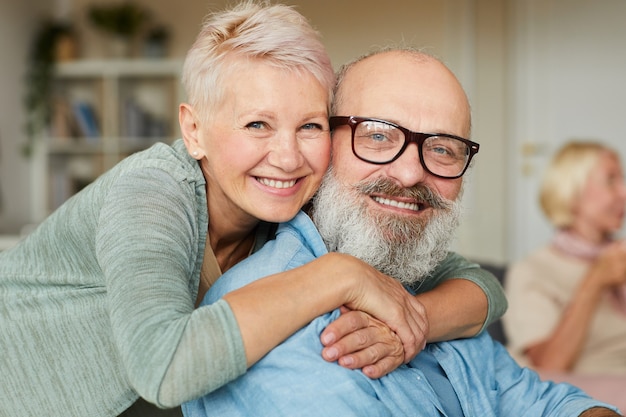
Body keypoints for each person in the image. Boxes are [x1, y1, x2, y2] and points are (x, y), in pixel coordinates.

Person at [0, 3, 507, 417]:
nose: (287, 158)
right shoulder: (151, 192)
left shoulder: (290, 197)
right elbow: (164, 366)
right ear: (194, 130)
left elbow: (481, 287)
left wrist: (406, 323)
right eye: (257, 125)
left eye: (309, 126)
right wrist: (338, 275)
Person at [183, 50, 621, 417]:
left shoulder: (426, 284)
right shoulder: (271, 322)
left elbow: (544, 402)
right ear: (319, 144)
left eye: (443, 148)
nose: (411, 173)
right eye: (376, 136)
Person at [503, 140, 626, 409]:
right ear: (573, 191)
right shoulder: (532, 271)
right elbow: (550, 365)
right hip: (580, 395)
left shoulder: (621, 257)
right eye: (611, 181)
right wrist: (595, 281)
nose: (624, 193)